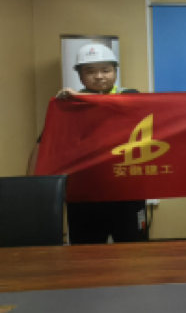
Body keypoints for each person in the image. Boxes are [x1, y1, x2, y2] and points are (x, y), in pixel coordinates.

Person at [27, 43, 148, 244]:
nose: (99, 76)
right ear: (80, 76)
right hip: (84, 194)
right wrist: (31, 185)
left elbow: (117, 106)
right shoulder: (68, 106)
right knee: (85, 251)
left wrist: (81, 97)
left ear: (115, 72)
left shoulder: (132, 96)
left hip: (127, 191)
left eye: (106, 70)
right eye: (90, 71)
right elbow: (43, 145)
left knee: (133, 250)